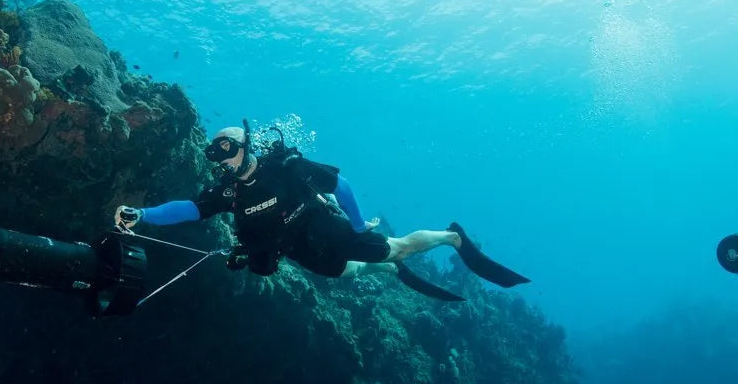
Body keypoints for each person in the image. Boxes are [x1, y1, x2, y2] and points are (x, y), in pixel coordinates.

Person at [114, 126, 529, 301]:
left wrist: (355, 224)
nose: (221, 162)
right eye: (215, 156)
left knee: (396, 249)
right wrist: (143, 214)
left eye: (227, 149)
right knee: (346, 273)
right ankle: (386, 271)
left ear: (246, 146)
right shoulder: (227, 192)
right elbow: (188, 209)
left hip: (330, 228)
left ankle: (452, 237)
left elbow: (341, 187)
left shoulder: (286, 167)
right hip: (297, 250)